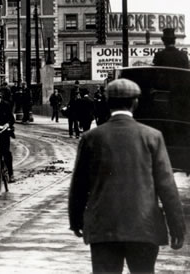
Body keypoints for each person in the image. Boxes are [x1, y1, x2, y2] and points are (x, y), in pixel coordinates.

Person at [69, 78, 185, 273]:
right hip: (143, 227)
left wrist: (76, 220)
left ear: (107, 102)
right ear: (136, 103)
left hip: (103, 228)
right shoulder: (152, 136)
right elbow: (167, 187)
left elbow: (79, 186)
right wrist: (177, 227)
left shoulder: (91, 138)